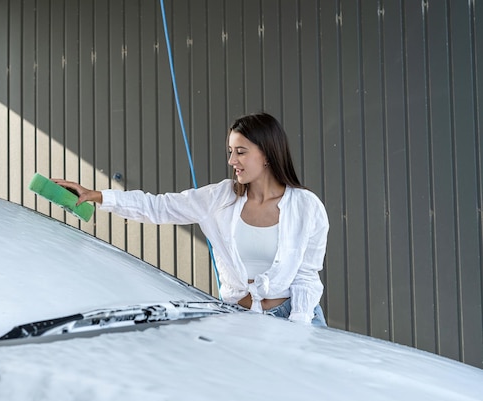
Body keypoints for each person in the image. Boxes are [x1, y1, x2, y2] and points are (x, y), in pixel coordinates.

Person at [52, 112, 329, 325]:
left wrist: (298, 326)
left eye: (241, 152)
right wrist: (98, 196)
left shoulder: (307, 207)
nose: (232, 160)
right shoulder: (219, 198)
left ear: (268, 154)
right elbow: (158, 207)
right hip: (240, 321)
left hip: (297, 317)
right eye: (230, 152)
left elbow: (306, 275)